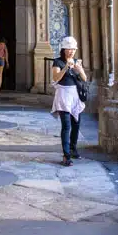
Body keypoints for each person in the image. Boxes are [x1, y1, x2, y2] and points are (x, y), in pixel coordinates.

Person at [51, 36, 87, 166]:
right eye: (69, 49)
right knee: (66, 126)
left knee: (76, 125)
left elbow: (84, 78)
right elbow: (56, 78)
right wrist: (66, 67)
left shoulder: (77, 61)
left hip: (75, 96)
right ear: (63, 49)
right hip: (63, 96)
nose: (71, 51)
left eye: (73, 49)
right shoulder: (57, 62)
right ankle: (66, 156)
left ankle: (73, 148)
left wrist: (79, 69)